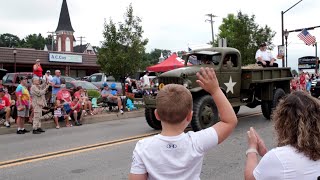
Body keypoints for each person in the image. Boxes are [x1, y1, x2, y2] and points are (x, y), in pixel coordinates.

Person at [129, 67, 238, 180]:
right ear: (190, 116)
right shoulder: (197, 142)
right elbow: (229, 121)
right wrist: (215, 90)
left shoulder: (142, 147)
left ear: (157, 115)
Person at [245, 91, 320, 180]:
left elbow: (250, 178)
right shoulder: (280, 158)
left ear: (283, 123)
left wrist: (252, 148)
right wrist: (265, 154)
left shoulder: (279, 157)